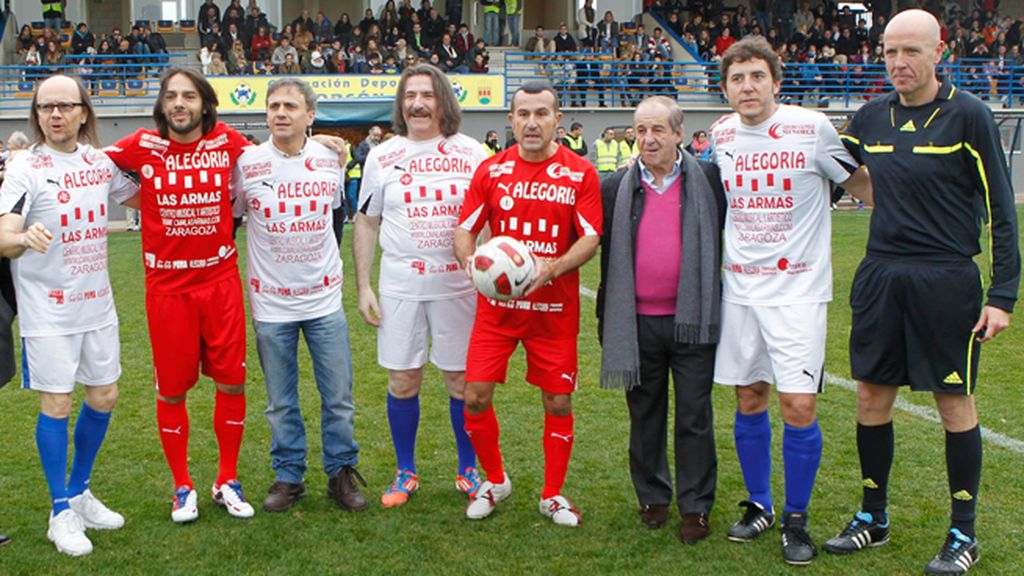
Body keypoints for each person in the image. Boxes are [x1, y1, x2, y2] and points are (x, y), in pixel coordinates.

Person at [823, 11, 1020, 575]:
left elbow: (1003, 213)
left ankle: (964, 534)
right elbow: (837, 166)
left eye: (911, 51)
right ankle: (872, 517)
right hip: (882, 275)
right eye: (889, 52)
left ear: (940, 51)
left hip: (946, 279)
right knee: (870, 399)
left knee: (953, 404)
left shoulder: (969, 115)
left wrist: (1002, 295)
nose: (899, 63)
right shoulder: (871, 115)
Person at [710, 37, 872, 566]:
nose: (748, 86)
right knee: (749, 395)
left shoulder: (813, 127)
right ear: (725, 88)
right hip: (740, 291)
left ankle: (796, 519)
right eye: (737, 79)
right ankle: (759, 504)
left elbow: (865, 186)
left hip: (799, 292)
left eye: (757, 76)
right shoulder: (722, 133)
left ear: (776, 82)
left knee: (798, 404)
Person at [105, 67, 255, 524]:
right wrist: (140, 198)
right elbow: (92, 163)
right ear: (162, 105)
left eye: (189, 96)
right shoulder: (141, 145)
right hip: (167, 290)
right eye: (171, 96)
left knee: (231, 382)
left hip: (220, 283)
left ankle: (226, 479)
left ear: (204, 103)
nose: (179, 104)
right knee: (172, 392)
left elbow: (272, 162)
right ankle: (182, 486)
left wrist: (320, 143)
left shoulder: (227, 141)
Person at [454, 80, 602, 526]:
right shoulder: (491, 170)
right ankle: (495, 481)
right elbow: (465, 228)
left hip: (553, 312)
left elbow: (591, 237)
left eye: (541, 114)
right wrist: (469, 262)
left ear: (558, 119)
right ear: (511, 119)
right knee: (474, 397)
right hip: (497, 313)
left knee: (558, 402)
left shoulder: (580, 173)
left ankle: (552, 495)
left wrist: (551, 268)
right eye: (523, 114)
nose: (532, 122)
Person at [0, 75, 136, 556]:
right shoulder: (25, 167)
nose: (55, 115)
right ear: (36, 114)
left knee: (105, 395)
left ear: (84, 112)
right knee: (56, 405)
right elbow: (3, 235)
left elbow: (146, 196)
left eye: (65, 106)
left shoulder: (100, 164)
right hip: (48, 312)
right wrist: (23, 238)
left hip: (97, 304)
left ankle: (79, 491)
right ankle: (60, 510)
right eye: (45, 107)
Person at [354, 65, 489, 508]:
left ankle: (468, 468)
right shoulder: (382, 155)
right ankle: (405, 471)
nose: (417, 103)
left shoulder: (471, 153)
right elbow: (367, 221)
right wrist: (364, 285)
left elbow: (487, 222)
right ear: (401, 103)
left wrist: (489, 274)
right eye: (410, 95)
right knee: (403, 379)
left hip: (458, 286)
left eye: (427, 95)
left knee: (461, 380)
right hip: (400, 284)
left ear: (443, 101)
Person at [232, 78, 367, 513]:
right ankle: (289, 475)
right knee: (280, 400)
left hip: (324, 300)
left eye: (291, 105)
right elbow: (233, 219)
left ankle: (340, 472)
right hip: (271, 304)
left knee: (339, 397)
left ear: (310, 115)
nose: (281, 112)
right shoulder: (247, 163)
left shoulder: (331, 157)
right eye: (274, 105)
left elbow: (335, 220)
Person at [597, 96, 725, 542]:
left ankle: (695, 506)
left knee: (694, 416)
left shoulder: (709, 179)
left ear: (678, 134)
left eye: (657, 130)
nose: (647, 139)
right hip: (636, 323)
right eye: (640, 130)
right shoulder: (616, 187)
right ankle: (652, 496)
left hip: (694, 322)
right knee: (645, 415)